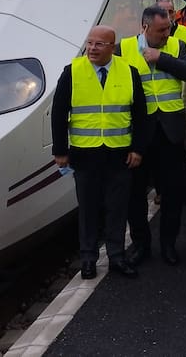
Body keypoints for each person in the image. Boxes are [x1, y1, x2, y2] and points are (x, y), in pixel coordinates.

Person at [51, 25, 146, 280]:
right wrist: (60, 150)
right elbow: (58, 113)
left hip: (119, 153)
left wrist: (138, 148)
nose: (92, 48)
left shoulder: (129, 71)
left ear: (111, 46)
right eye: (90, 43)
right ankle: (88, 259)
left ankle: (117, 256)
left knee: (117, 208)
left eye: (99, 44)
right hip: (85, 154)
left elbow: (140, 115)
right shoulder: (72, 71)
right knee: (88, 209)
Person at [118, 7, 186, 266]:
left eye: (168, 28)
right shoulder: (124, 48)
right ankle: (141, 245)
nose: (167, 33)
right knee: (135, 194)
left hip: (170, 132)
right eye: (161, 30)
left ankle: (168, 245)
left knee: (173, 193)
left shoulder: (176, 45)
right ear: (145, 27)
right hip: (138, 132)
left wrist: (161, 58)